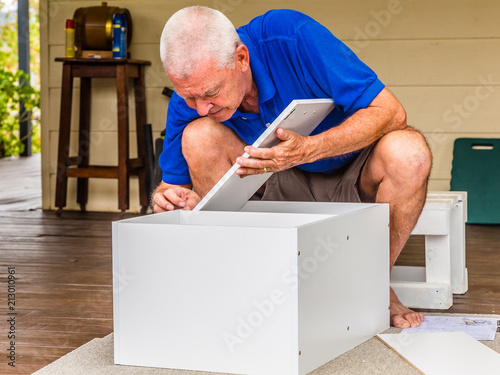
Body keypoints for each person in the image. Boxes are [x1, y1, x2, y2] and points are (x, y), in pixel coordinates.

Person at [153, 6, 432, 329]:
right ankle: (250, 286)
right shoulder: (190, 98)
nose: (202, 107)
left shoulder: (291, 36)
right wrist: (167, 199)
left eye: (211, 93)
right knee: (198, 135)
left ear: (241, 59)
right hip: (276, 184)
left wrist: (312, 148)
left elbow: (392, 112)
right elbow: (170, 187)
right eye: (190, 97)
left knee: (409, 152)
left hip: (354, 178)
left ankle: (373, 286)